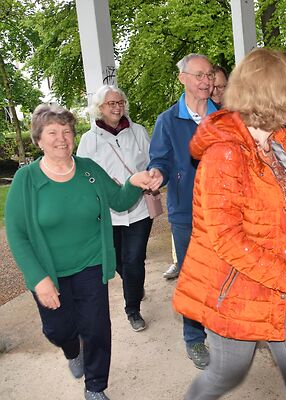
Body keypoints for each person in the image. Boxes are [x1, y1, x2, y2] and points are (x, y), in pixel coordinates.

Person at [172, 48, 286, 400]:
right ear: (273, 94)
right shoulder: (224, 153)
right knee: (224, 375)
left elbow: (278, 187)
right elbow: (227, 240)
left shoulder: (274, 141)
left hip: (283, 278)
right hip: (240, 290)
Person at [5, 104, 153, 400]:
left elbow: (120, 201)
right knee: (59, 330)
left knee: (97, 328)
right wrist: (38, 278)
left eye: (67, 131)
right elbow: (17, 235)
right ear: (38, 140)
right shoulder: (27, 179)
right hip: (50, 271)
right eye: (53, 132)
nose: (62, 138)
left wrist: (134, 182)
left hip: (90, 264)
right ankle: (73, 350)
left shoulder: (88, 169)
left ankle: (95, 387)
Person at [148, 53, 219, 369]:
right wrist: (159, 174)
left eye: (210, 75)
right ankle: (194, 338)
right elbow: (160, 159)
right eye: (200, 75)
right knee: (194, 277)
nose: (206, 81)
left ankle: (227, 329)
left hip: (225, 210)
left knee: (228, 272)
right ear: (183, 79)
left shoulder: (225, 117)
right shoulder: (167, 120)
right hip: (186, 212)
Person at [77, 85, 152, 332]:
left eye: (120, 103)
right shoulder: (89, 140)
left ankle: (133, 309)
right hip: (107, 214)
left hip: (139, 209)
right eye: (111, 103)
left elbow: (152, 162)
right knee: (119, 260)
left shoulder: (138, 131)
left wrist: (145, 179)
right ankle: (133, 284)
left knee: (134, 259)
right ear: (100, 108)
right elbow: (82, 175)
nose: (117, 107)